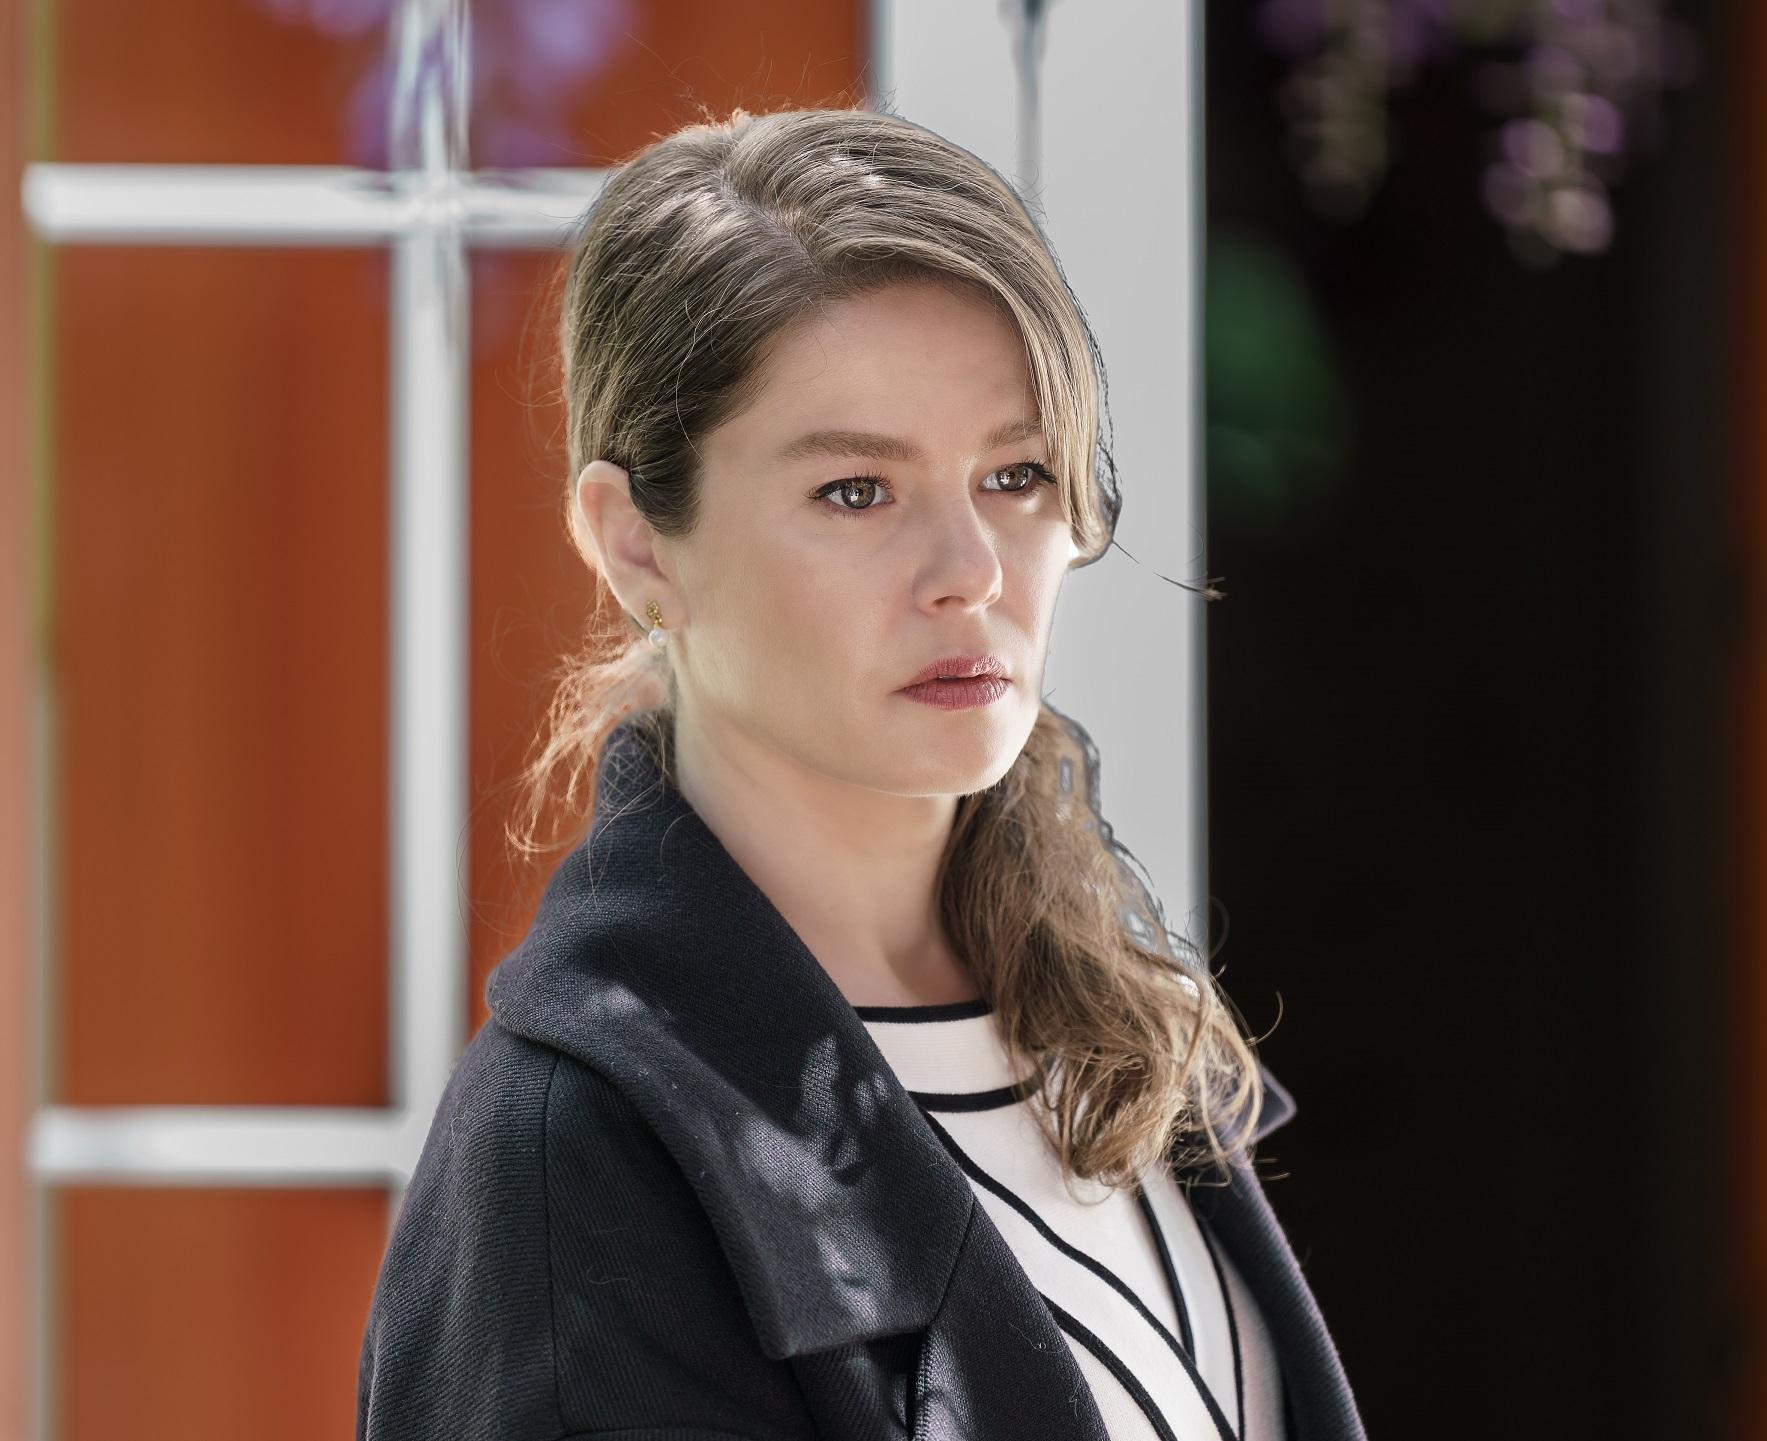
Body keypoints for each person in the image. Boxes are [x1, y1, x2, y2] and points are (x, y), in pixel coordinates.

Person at [354, 103, 1365, 1441]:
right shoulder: (576, 1165)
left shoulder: (1114, 1028)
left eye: (1016, 473)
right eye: (856, 492)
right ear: (637, 543)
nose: (972, 571)